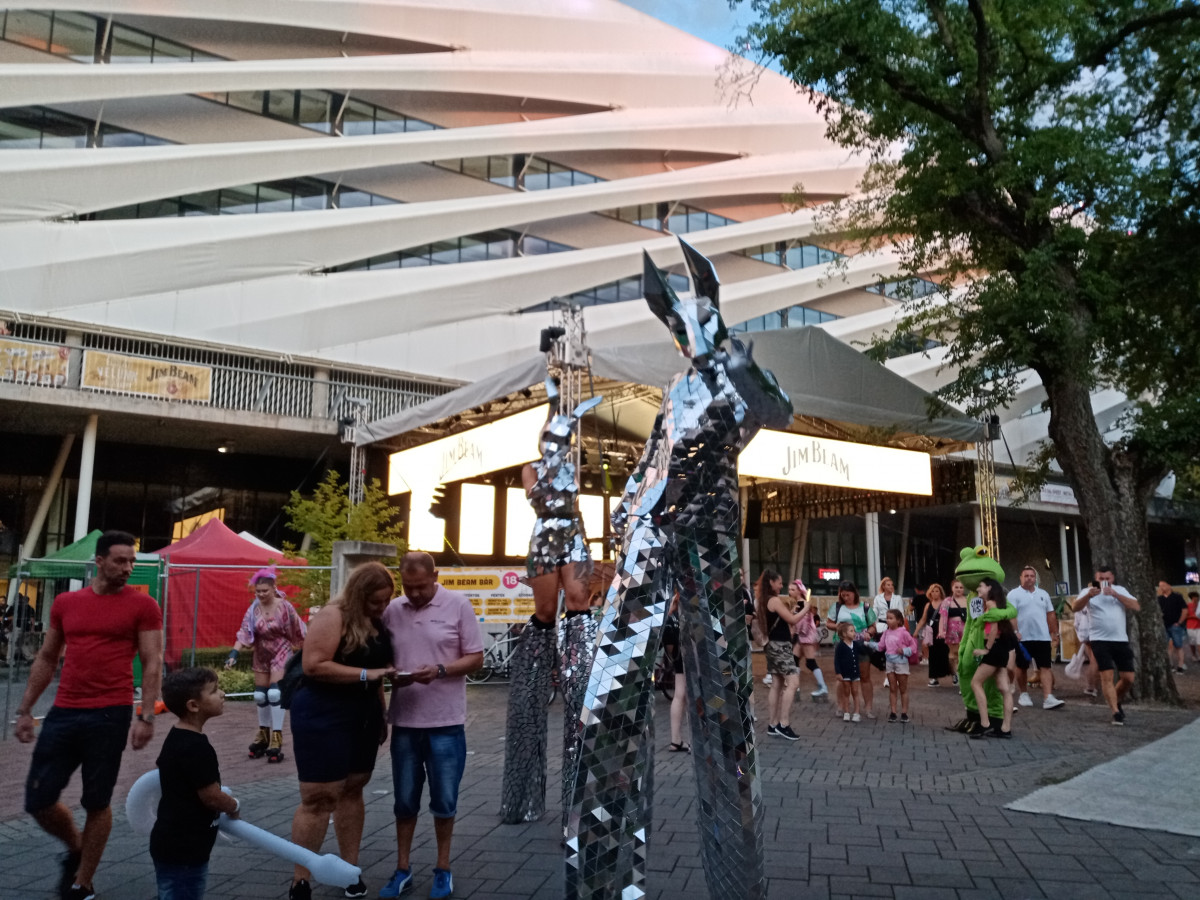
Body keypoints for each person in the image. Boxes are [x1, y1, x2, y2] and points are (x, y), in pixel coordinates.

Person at [15, 529, 163, 900]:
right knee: (38, 799)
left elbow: (152, 661)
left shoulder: (143, 606)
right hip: (64, 711)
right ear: (98, 561)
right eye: (120, 560)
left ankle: (83, 882)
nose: (128, 568)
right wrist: (25, 709)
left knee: (97, 800)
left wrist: (146, 715)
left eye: (131, 561)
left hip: (110, 713)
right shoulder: (66, 603)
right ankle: (77, 847)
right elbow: (47, 657)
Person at [501, 376, 602, 824]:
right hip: (545, 538)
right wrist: (556, 413)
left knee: (578, 601)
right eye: (551, 438)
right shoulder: (532, 469)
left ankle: (579, 670)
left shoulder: (570, 469)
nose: (557, 445)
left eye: (562, 439)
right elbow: (540, 499)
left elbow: (570, 500)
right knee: (544, 613)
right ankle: (540, 672)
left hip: (573, 536)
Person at [287, 562, 396, 900]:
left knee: (353, 788)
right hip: (323, 712)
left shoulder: (376, 621)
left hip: (362, 714)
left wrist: (381, 713)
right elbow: (313, 665)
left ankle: (350, 871)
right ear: (358, 594)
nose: (382, 607)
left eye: (386, 600)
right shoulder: (333, 615)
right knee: (319, 797)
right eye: (375, 601)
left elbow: (378, 672)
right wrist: (365, 675)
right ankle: (301, 879)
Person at [381, 552, 484, 900]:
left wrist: (440, 670)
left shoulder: (458, 605)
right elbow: (383, 656)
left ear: (435, 576)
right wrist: (391, 673)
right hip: (405, 721)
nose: (414, 594)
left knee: (444, 800)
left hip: (446, 721)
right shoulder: (392, 610)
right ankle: (402, 868)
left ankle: (443, 867)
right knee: (404, 800)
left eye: (421, 587)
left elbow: (476, 658)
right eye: (408, 587)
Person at [151, 667, 240, 900]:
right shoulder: (197, 747)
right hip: (185, 848)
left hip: (174, 842)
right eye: (214, 690)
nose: (222, 694)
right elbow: (211, 796)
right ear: (193, 705)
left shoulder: (176, 736)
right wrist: (233, 805)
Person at [224, 567, 306, 762]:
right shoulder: (253, 609)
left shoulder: (285, 607)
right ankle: (263, 734)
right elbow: (244, 632)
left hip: (281, 649)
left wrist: (308, 653)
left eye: (264, 591)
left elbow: (299, 630)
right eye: (258, 591)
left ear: (273, 588)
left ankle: (277, 736)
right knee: (260, 695)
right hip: (261, 652)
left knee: (275, 693)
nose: (261, 594)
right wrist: (234, 653)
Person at [1072, 565, 1140, 726]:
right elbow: (1075, 607)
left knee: (1128, 678)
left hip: (1120, 640)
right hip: (1099, 640)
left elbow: (1136, 606)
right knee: (1107, 676)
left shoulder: (1120, 590)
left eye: (1107, 579)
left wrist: (1115, 594)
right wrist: (1088, 596)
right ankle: (1115, 712)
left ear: (1112, 578)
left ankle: (1115, 699)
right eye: (1100, 579)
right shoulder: (1088, 592)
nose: (1104, 581)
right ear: (1096, 579)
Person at [1008, 566, 1065, 710]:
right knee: (1021, 666)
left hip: (1042, 637)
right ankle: (1023, 694)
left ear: (1035, 578)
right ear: (1021, 578)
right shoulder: (1013, 594)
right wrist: (1015, 631)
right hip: (1023, 638)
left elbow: (1050, 614)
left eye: (1032, 576)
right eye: (1026, 575)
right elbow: (1011, 615)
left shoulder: (1043, 594)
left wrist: (1054, 632)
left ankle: (1048, 697)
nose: (1029, 578)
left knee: (1045, 666)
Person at [756, 569, 802, 740]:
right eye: (780, 582)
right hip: (780, 646)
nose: (781, 586)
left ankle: (773, 724)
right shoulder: (774, 600)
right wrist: (806, 608)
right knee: (793, 682)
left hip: (771, 645)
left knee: (777, 683)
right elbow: (792, 619)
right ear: (771, 582)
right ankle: (784, 724)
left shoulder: (763, 600)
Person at [968, 578, 1017, 739]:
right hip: (1001, 649)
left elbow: (994, 629)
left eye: (981, 586)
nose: (978, 588)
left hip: (994, 648)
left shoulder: (990, 604)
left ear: (989, 588)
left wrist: (986, 649)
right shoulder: (998, 604)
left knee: (976, 683)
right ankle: (1005, 728)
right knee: (1004, 688)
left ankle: (984, 723)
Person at [826, 580, 877, 717]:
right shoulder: (837, 607)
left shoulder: (865, 607)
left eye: (848, 595)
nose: (846, 598)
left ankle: (868, 708)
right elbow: (829, 623)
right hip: (843, 645)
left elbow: (873, 625)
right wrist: (838, 627)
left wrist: (869, 633)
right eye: (843, 595)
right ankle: (841, 706)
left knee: (865, 676)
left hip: (862, 645)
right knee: (842, 677)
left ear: (855, 593)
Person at [868, 609, 919, 722]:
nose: (888, 620)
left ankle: (904, 713)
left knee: (903, 688)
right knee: (892, 688)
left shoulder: (904, 633)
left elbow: (913, 647)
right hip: (889, 663)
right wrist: (868, 643)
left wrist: (904, 651)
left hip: (901, 663)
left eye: (891, 618)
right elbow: (880, 646)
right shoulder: (886, 633)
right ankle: (893, 712)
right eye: (887, 618)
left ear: (899, 620)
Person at [789, 580, 828, 698]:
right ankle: (795, 686)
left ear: (799, 591)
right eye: (789, 589)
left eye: (792, 589)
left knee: (810, 662)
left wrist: (795, 631)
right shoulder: (800, 603)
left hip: (806, 636)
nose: (790, 592)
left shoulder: (801, 604)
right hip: (803, 636)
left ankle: (822, 687)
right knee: (795, 660)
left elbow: (802, 622)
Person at [663, 594, 689, 752]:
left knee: (679, 694)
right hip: (692, 649)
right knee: (697, 696)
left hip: (679, 651)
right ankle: (699, 740)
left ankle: (675, 739)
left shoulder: (674, 601)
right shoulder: (694, 597)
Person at [913, 583, 952, 685]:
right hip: (932, 631)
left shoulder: (945, 604)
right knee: (933, 655)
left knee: (945, 653)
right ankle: (934, 677)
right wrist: (916, 630)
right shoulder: (928, 605)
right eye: (933, 591)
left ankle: (953, 674)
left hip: (943, 631)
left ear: (940, 592)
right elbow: (923, 619)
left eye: (937, 591)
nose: (935, 593)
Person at [833, 622, 863, 722]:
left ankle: (857, 713)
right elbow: (836, 660)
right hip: (845, 673)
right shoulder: (840, 646)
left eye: (854, 631)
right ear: (844, 634)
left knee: (855, 691)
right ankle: (846, 712)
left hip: (855, 673)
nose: (854, 633)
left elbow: (863, 651)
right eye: (851, 631)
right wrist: (838, 673)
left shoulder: (856, 644)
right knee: (846, 692)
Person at [1157, 580, 1189, 674]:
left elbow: (1184, 610)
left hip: (1175, 625)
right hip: (1164, 625)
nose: (1162, 587)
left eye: (1163, 585)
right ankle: (1170, 665)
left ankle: (1180, 666)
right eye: (1160, 586)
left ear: (1169, 586)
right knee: (1167, 646)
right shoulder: (1159, 599)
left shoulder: (1177, 597)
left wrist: (1179, 622)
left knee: (1178, 645)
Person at [945, 579, 969, 683]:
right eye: (956, 587)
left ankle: (962, 674)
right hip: (952, 630)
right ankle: (955, 673)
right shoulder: (948, 601)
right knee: (953, 654)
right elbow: (943, 617)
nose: (959, 589)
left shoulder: (968, 600)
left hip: (966, 629)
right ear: (952, 588)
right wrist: (942, 630)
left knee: (964, 652)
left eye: (961, 587)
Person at [1186, 591, 1200, 665]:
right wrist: (1193, 616)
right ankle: (1194, 655)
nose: (1196, 598)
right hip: (1190, 626)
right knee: (1192, 643)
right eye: (1195, 597)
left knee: (1199, 642)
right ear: (1191, 598)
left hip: (1199, 626)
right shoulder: (1188, 605)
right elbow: (1185, 616)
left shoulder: (1199, 605)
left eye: (1197, 597)